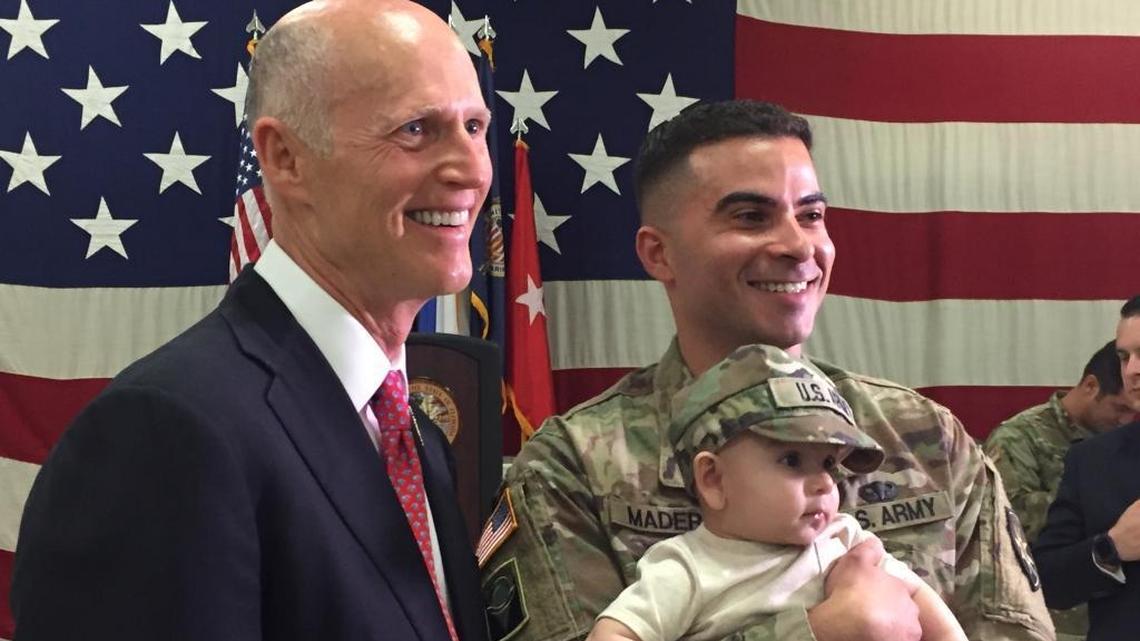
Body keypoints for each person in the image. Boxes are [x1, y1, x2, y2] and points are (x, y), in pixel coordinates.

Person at [477, 100, 1053, 641]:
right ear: (659, 253)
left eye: (812, 215)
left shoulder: (925, 436)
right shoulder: (572, 466)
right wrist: (822, 631)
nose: (799, 246)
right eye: (752, 216)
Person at [10, 1, 492, 640]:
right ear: (286, 159)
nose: (471, 169)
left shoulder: (416, 439)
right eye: (414, 130)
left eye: (476, 126)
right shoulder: (165, 436)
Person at [586, 344, 967, 641]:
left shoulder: (845, 538)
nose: (824, 483)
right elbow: (616, 631)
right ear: (714, 480)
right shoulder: (686, 569)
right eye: (791, 460)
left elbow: (916, 595)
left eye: (829, 464)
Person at [984, 340, 1134, 640]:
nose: (1126, 419)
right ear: (1091, 386)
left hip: (1108, 608)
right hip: (1049, 611)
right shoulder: (1018, 437)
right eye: (1119, 408)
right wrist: (1107, 513)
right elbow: (1010, 521)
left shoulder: (1121, 447)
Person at [1034, 295, 1140, 641]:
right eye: (1125, 356)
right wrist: (1110, 548)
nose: (1132, 370)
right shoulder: (1093, 460)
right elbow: (1047, 579)